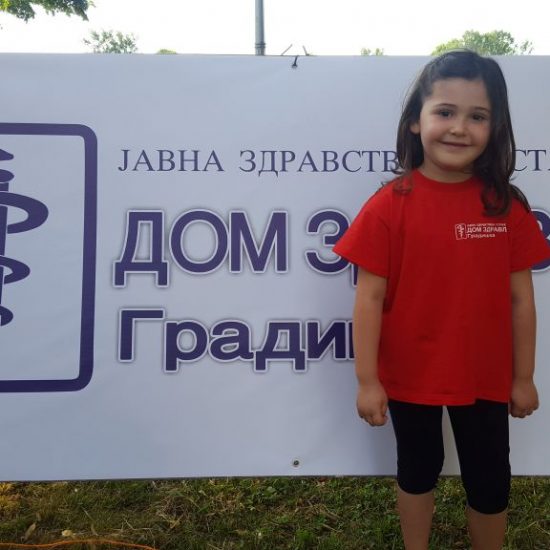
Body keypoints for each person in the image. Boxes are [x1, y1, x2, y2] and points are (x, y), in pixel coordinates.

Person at [333, 50, 550, 550]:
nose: (459, 128)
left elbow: (522, 301)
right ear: (416, 121)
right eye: (445, 112)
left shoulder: (505, 207)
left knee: (490, 478)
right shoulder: (388, 207)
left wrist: (523, 377)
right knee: (417, 469)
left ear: (495, 128)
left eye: (478, 116)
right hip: (409, 377)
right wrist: (367, 381)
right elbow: (368, 299)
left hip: (486, 377)